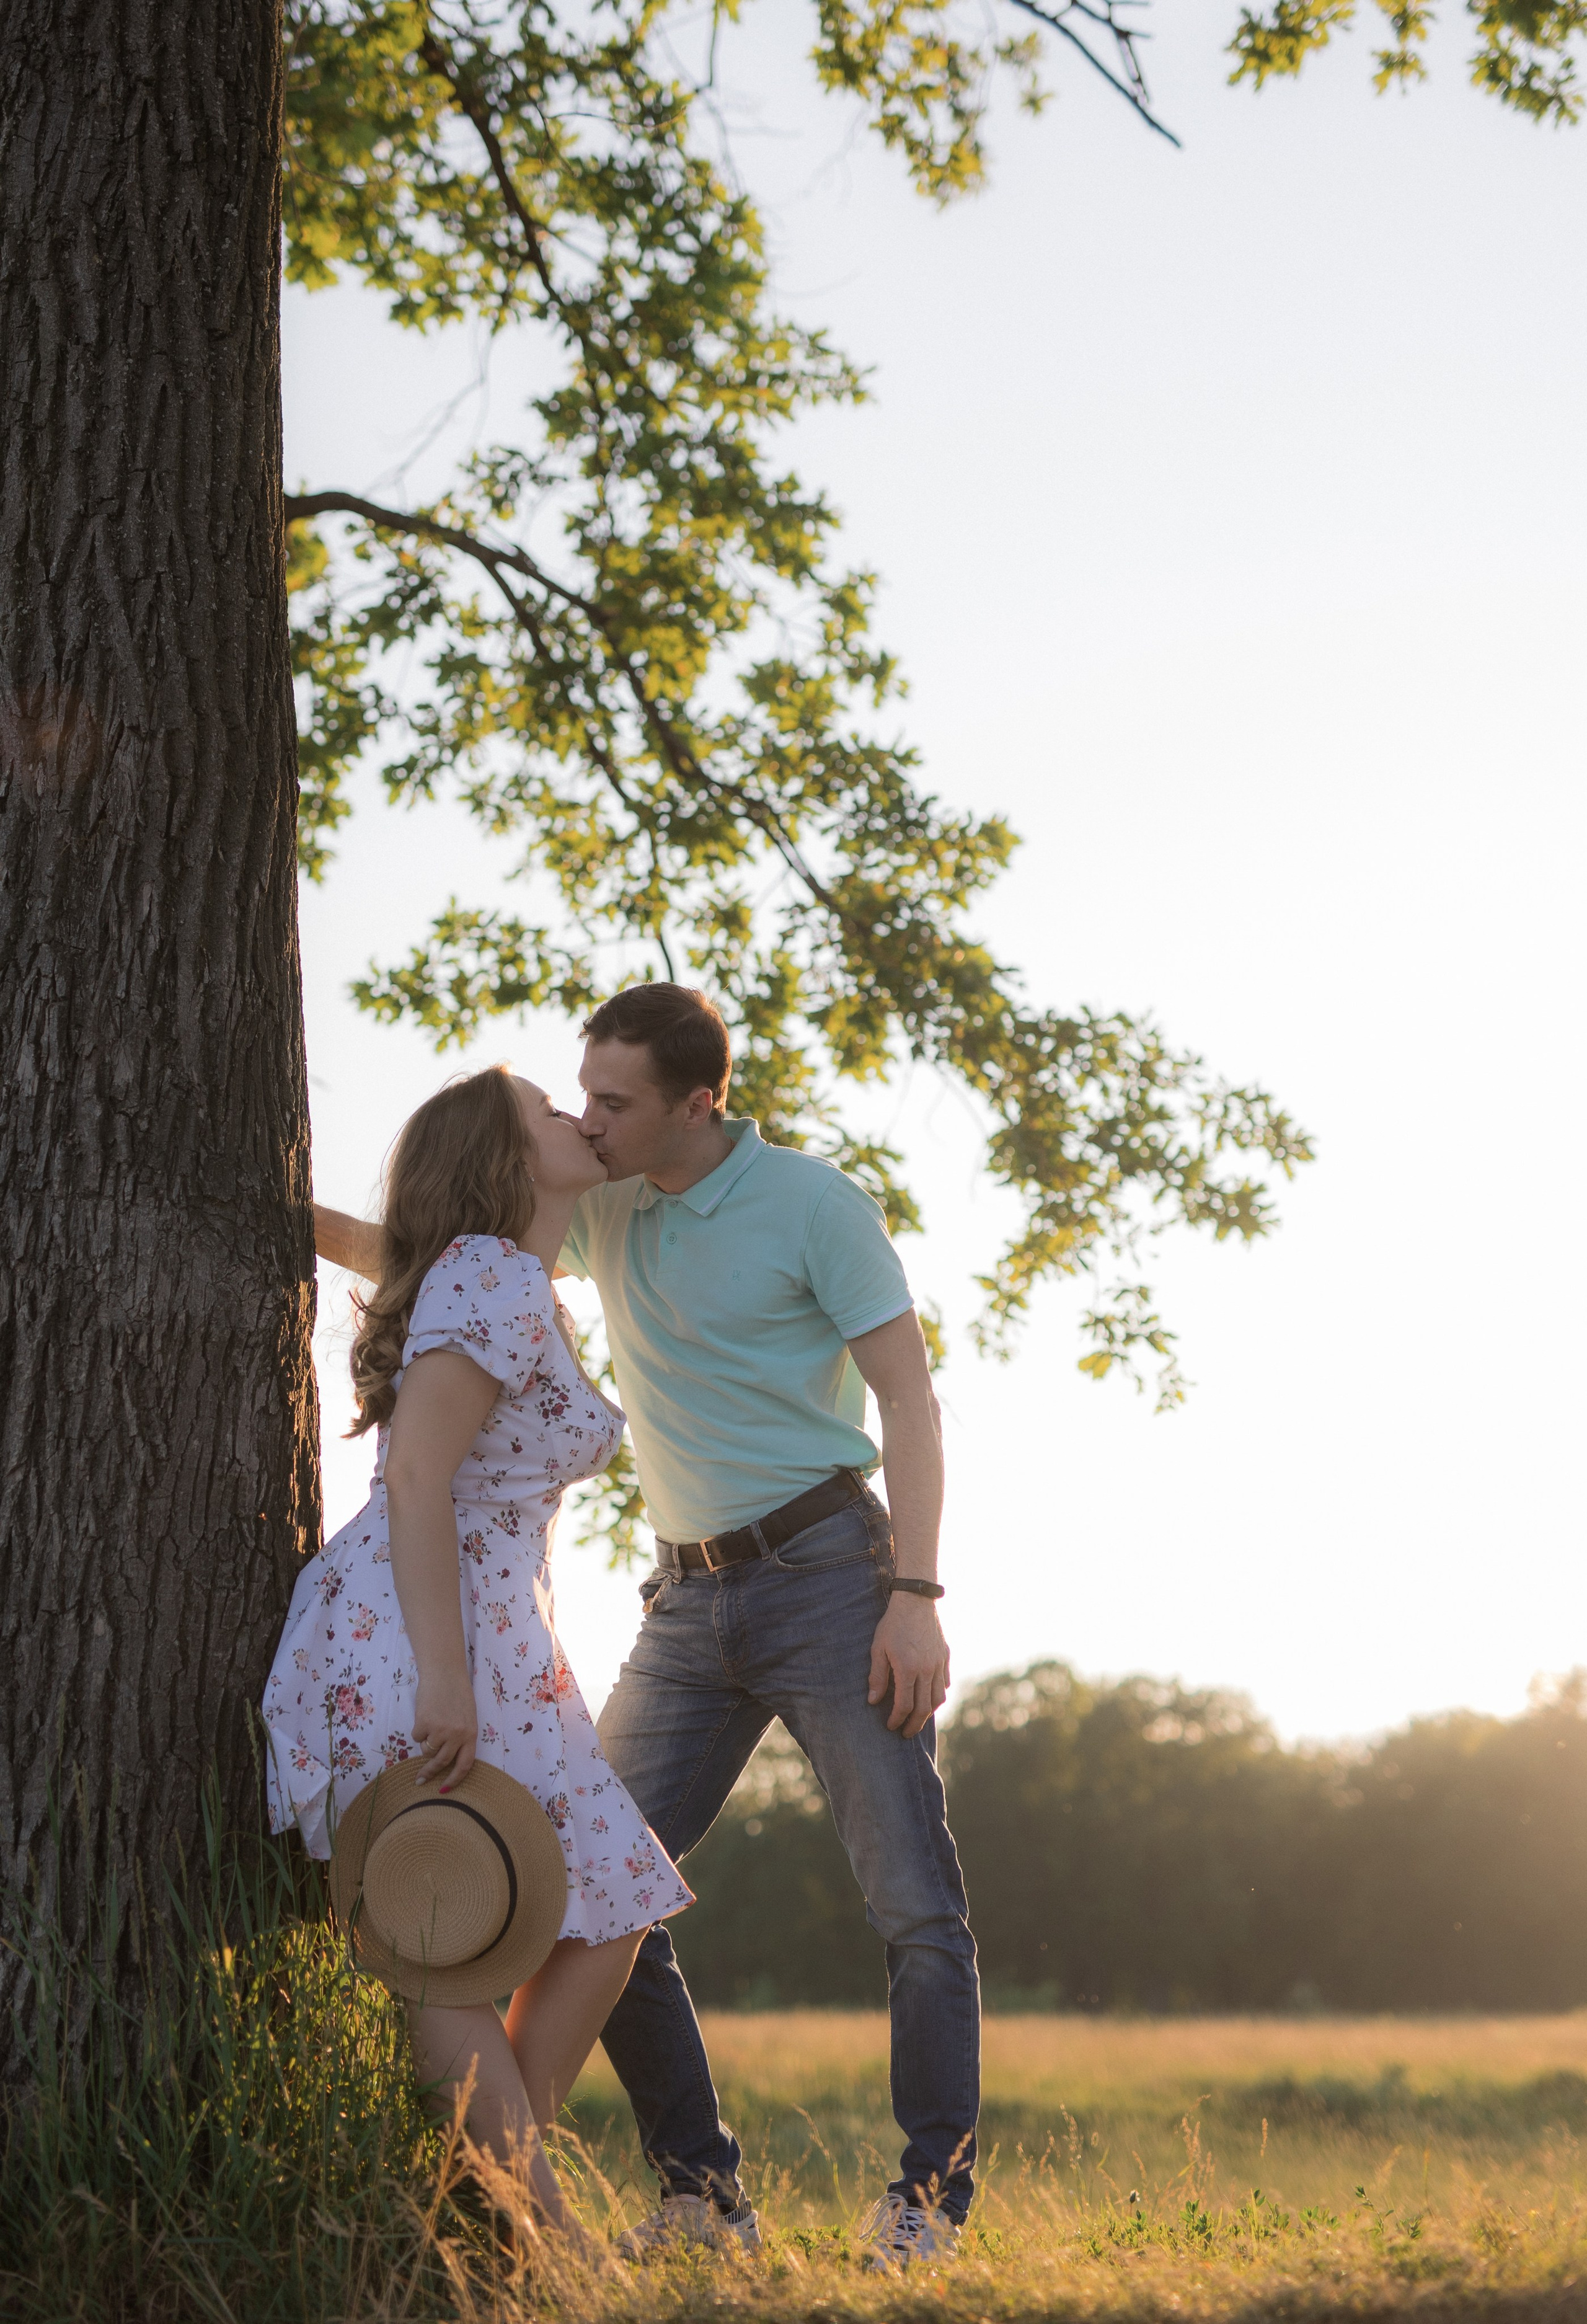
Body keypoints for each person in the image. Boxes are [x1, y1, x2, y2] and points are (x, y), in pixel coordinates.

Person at [316, 987, 978, 2269]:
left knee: (911, 1900)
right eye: (583, 1092)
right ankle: (699, 2191)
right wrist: (267, 1196)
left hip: (834, 1569)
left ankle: (926, 2201)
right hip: (682, 1598)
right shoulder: (600, 1194)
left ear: (699, 1099)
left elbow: (907, 1397)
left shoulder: (811, 1203)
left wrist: (917, 1591)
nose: (590, 1117)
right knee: (590, 1884)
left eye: (615, 1100)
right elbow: (421, 1243)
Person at [267, 1065, 691, 2237]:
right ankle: (551, 2259)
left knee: (611, 1901)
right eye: (551, 1112)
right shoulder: (493, 1277)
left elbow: (394, 1253)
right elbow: (416, 1473)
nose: (577, 1117)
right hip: (425, 1639)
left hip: (498, 1639)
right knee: (447, 1951)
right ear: (506, 1163)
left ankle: (490, 2202)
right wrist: (442, 1678)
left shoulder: (503, 1278)